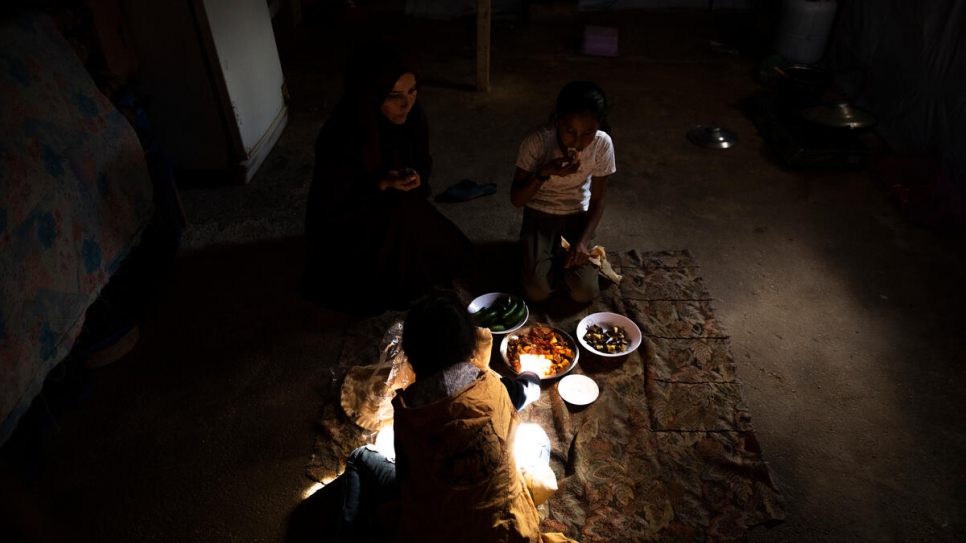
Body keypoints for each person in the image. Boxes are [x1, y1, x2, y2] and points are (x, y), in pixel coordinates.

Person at [336, 296, 569, 543]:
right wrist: (531, 371)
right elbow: (528, 389)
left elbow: (407, 482)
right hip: (509, 532)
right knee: (537, 439)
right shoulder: (493, 387)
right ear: (471, 347)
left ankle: (347, 534)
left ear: (412, 356)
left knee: (360, 456)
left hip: (439, 532)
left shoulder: (408, 411)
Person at [302, 39, 472, 315]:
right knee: (375, 291)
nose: (407, 103)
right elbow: (331, 207)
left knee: (455, 256)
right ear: (371, 93)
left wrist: (416, 176)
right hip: (353, 220)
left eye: (413, 90)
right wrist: (380, 183)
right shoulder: (342, 134)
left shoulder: (413, 116)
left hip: (398, 202)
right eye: (394, 96)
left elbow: (422, 161)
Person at [510, 81, 617, 303]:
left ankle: (559, 257)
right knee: (537, 292)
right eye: (570, 131)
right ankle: (543, 257)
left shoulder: (602, 144)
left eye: (588, 132)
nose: (578, 142)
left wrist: (582, 241)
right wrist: (544, 172)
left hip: (577, 215)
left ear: (599, 125)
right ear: (558, 120)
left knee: (584, 293)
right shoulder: (537, 141)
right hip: (539, 215)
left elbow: (598, 198)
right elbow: (517, 199)